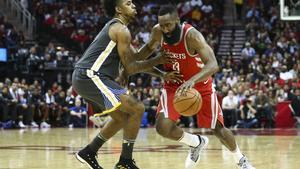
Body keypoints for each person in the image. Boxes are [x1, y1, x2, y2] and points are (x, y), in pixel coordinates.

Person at [125, 5, 255, 169]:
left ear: (177, 20)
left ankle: (241, 160)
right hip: (174, 85)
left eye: (169, 25)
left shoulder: (192, 35)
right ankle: (195, 142)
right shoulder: (157, 32)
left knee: (219, 129)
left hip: (201, 85)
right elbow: (142, 56)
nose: (165, 29)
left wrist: (192, 81)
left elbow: (213, 64)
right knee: (162, 127)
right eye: (162, 25)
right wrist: (133, 59)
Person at [72, 0, 171, 169]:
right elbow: (131, 67)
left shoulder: (119, 29)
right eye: (128, 3)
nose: (133, 5)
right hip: (91, 76)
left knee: (122, 118)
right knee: (137, 108)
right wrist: (158, 59)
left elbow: (136, 58)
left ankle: (89, 151)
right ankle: (125, 162)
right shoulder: (121, 30)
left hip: (88, 78)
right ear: (119, 9)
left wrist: (161, 73)